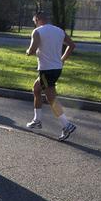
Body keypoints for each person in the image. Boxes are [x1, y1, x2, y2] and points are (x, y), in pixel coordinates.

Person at [25, 10, 77, 142]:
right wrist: (62, 59)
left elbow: (31, 50)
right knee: (36, 89)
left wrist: (28, 51)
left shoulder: (37, 32)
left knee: (51, 98)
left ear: (37, 20)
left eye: (34, 22)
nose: (34, 25)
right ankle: (37, 120)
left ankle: (66, 125)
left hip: (46, 70)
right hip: (57, 68)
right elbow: (72, 45)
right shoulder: (59, 31)